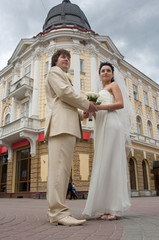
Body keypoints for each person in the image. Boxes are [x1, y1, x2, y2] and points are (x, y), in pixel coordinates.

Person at [45, 49, 97, 226]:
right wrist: (87, 104)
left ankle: (56, 211)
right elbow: (65, 93)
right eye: (62, 57)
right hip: (61, 126)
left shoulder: (62, 76)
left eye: (68, 57)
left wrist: (80, 114)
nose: (66, 59)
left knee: (61, 170)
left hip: (65, 125)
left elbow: (65, 101)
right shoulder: (54, 72)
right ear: (55, 61)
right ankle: (58, 213)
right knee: (59, 170)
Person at [82, 62, 133, 220]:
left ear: (112, 74)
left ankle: (114, 208)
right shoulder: (99, 92)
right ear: (99, 74)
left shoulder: (114, 85)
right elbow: (97, 114)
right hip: (101, 127)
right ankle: (106, 206)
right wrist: (89, 113)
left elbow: (120, 104)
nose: (105, 73)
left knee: (112, 164)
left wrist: (98, 108)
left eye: (108, 70)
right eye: (102, 71)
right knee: (103, 163)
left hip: (112, 124)